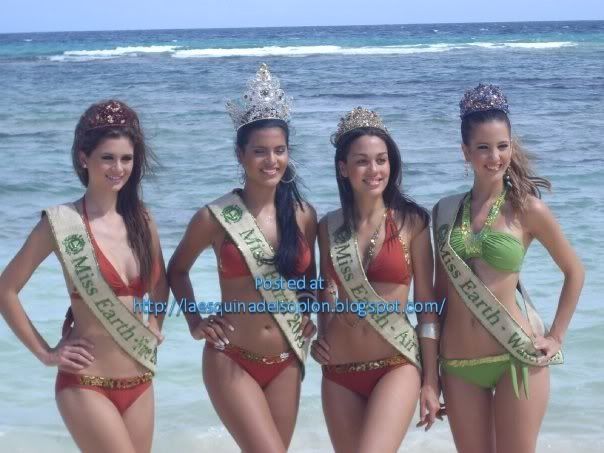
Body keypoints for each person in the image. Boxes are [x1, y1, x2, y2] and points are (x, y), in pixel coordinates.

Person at [0, 100, 168, 453]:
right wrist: (45, 352)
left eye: (126, 158)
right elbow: (6, 289)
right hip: (86, 383)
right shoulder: (60, 223)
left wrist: (155, 321)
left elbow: (160, 284)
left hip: (140, 381)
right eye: (107, 158)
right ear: (83, 158)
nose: (118, 168)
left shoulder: (143, 220)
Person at [167, 63, 317, 453]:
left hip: (286, 359)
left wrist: (308, 310)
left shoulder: (303, 215)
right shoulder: (213, 217)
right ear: (240, 154)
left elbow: (309, 278)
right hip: (230, 357)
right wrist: (195, 321)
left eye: (279, 150)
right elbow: (177, 270)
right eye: (260, 151)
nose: (271, 160)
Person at [433, 83, 585, 453]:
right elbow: (439, 292)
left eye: (502, 146)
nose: (494, 156)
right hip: (458, 364)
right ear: (465, 151)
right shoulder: (444, 211)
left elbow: (574, 272)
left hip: (515, 356)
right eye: (483, 147)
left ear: (511, 147)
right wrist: (429, 370)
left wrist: (557, 336)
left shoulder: (528, 209)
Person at [311, 107, 442, 453]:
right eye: (362, 161)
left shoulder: (413, 222)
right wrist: (321, 333)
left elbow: (427, 308)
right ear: (343, 168)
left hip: (395, 365)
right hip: (338, 372)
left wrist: (431, 381)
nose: (374, 170)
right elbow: (326, 288)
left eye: (381, 160)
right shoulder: (327, 226)